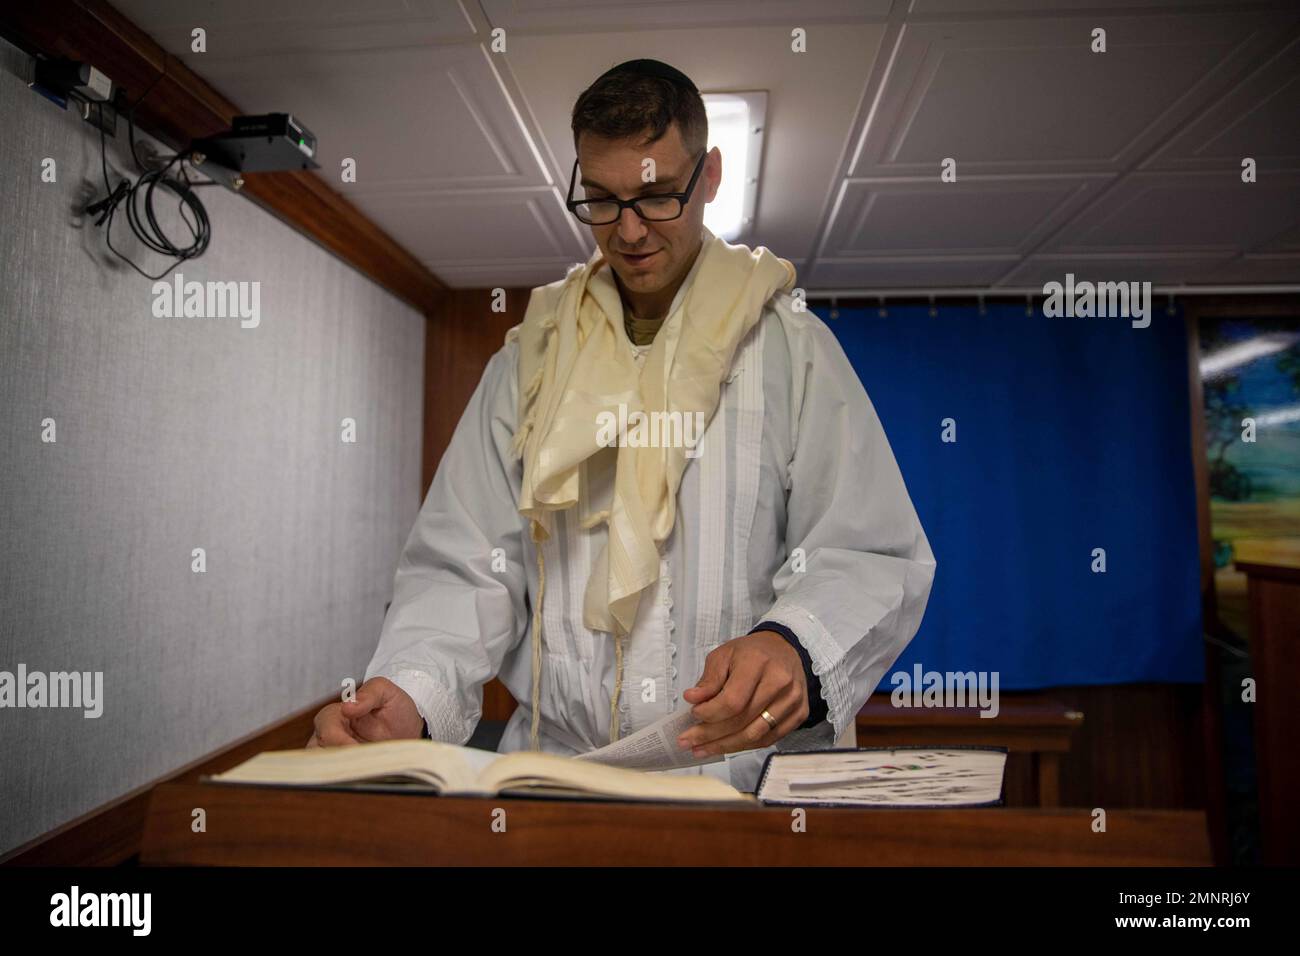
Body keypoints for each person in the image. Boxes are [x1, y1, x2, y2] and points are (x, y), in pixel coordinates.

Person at [308, 58, 936, 792]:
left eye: (656, 195)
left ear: (710, 177)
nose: (629, 231)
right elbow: (467, 566)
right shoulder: (526, 363)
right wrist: (410, 691)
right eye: (602, 200)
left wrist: (792, 646)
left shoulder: (792, 351)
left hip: (742, 785)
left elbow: (867, 553)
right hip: (557, 784)